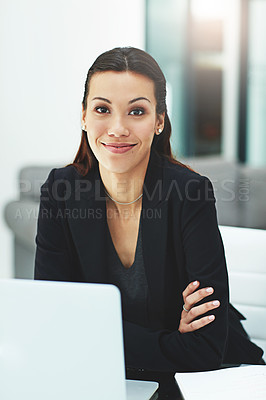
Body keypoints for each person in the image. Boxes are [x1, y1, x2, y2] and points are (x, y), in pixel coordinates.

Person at [34, 47, 264, 399]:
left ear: (159, 120)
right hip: (113, 380)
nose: (118, 128)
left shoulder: (190, 193)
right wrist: (170, 337)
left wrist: (98, 336)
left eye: (137, 111)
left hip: (206, 380)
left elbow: (205, 347)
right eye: (102, 109)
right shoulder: (61, 191)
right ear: (83, 116)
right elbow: (55, 328)